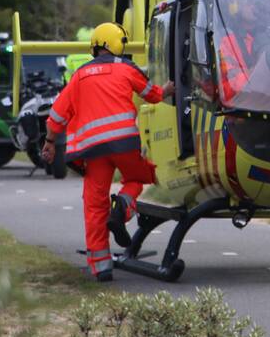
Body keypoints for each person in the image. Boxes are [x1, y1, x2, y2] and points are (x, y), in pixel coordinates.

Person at [41, 22, 174, 282]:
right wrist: (166, 90)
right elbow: (151, 94)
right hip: (124, 143)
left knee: (94, 204)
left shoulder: (79, 76)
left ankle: (101, 267)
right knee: (139, 178)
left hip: (92, 150)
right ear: (118, 44)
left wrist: (48, 142)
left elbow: (56, 114)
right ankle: (122, 207)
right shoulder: (126, 68)